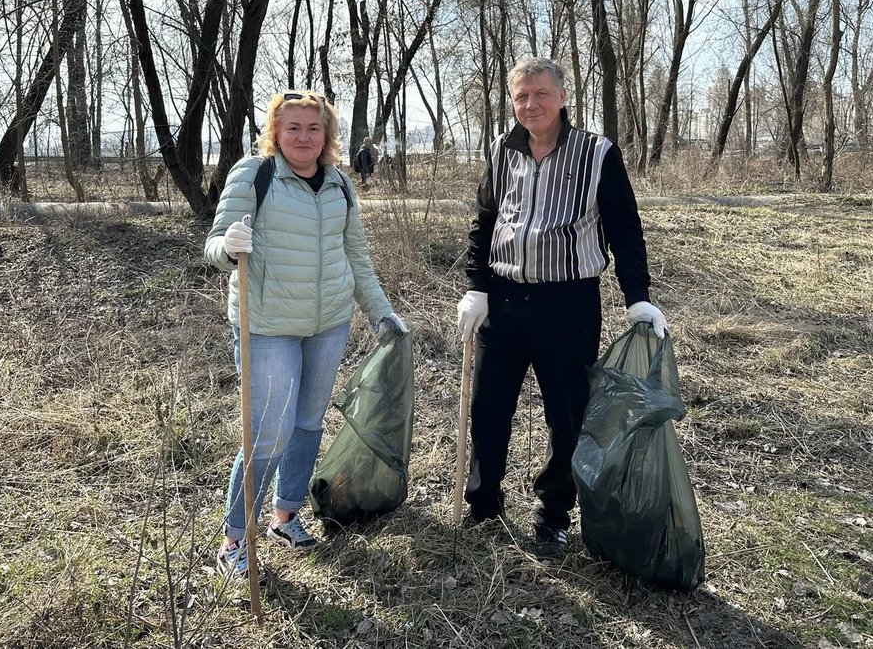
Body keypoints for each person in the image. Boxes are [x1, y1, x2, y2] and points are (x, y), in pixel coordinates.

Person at [454, 57, 667, 562]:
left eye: (541, 94)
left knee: (566, 415)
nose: (531, 105)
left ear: (563, 97)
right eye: (521, 96)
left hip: (568, 304)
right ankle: (484, 504)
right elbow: (484, 223)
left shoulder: (597, 153)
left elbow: (624, 228)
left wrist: (636, 295)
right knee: (488, 408)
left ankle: (552, 515)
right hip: (502, 303)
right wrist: (476, 287)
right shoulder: (502, 152)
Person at [205, 90, 407, 581]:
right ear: (276, 132)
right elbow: (214, 246)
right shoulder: (254, 174)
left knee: (308, 423)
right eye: (292, 127)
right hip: (267, 325)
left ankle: (286, 515)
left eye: (313, 129)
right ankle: (235, 540)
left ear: (326, 136)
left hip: (328, 324)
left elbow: (356, 256)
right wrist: (229, 247)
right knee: (266, 435)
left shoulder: (339, 183)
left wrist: (381, 312)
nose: (303, 136)